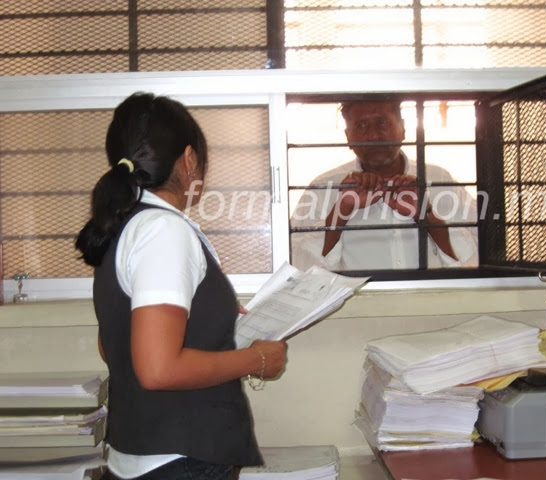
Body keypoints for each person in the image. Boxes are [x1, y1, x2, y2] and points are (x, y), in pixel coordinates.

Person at [75, 92, 287, 480]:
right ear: (189, 160)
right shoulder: (163, 231)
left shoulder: (122, 226)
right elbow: (157, 368)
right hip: (180, 460)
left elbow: (112, 345)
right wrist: (258, 359)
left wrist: (211, 319)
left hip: (146, 453)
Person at [290, 100, 478, 271]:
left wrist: (428, 217)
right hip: (360, 308)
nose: (373, 135)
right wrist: (340, 213)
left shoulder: (440, 181)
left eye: (383, 123)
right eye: (361, 125)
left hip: (432, 305)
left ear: (403, 129)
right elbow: (298, 269)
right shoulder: (323, 188)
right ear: (348, 136)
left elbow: (479, 259)